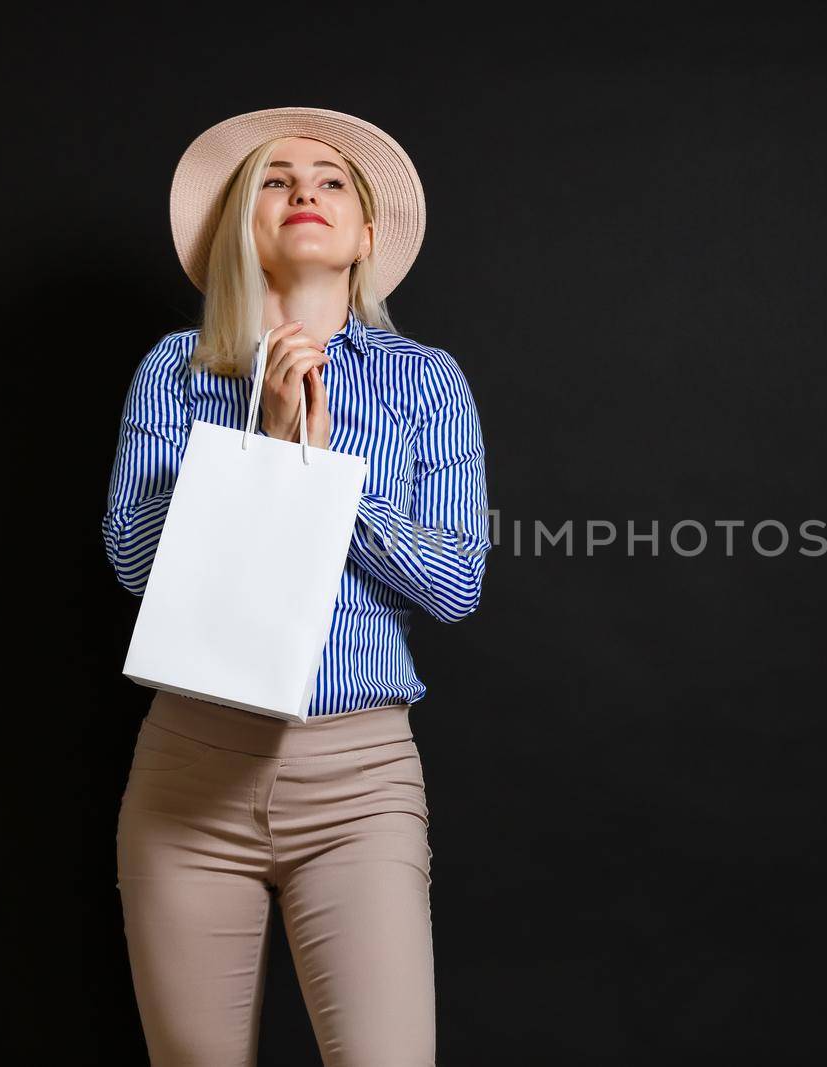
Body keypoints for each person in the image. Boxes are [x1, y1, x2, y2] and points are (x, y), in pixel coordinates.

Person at [101, 106, 491, 1066]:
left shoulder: (427, 383)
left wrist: (316, 466)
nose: (304, 191)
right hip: (188, 778)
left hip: (360, 783)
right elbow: (134, 566)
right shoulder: (176, 368)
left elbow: (453, 582)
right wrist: (257, 444)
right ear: (246, 225)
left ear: (365, 235)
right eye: (275, 179)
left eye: (330, 181)